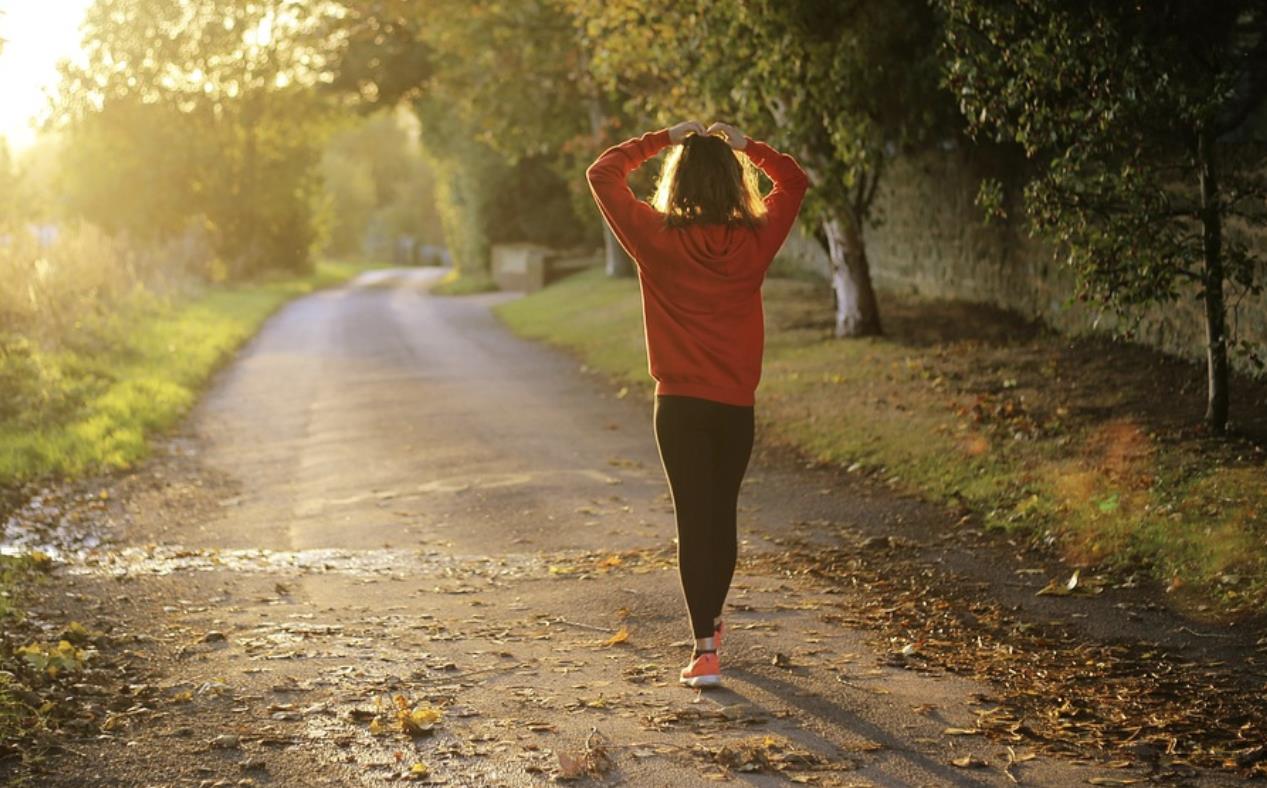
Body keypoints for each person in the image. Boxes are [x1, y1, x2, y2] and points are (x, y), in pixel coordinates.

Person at [585, 120, 809, 688]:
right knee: (721, 515)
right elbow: (794, 181)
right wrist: (748, 146)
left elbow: (603, 173)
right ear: (735, 181)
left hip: (679, 405)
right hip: (735, 406)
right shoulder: (755, 239)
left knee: (693, 519)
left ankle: (704, 648)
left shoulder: (655, 237)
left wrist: (663, 138)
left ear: (677, 181)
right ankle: (710, 625)